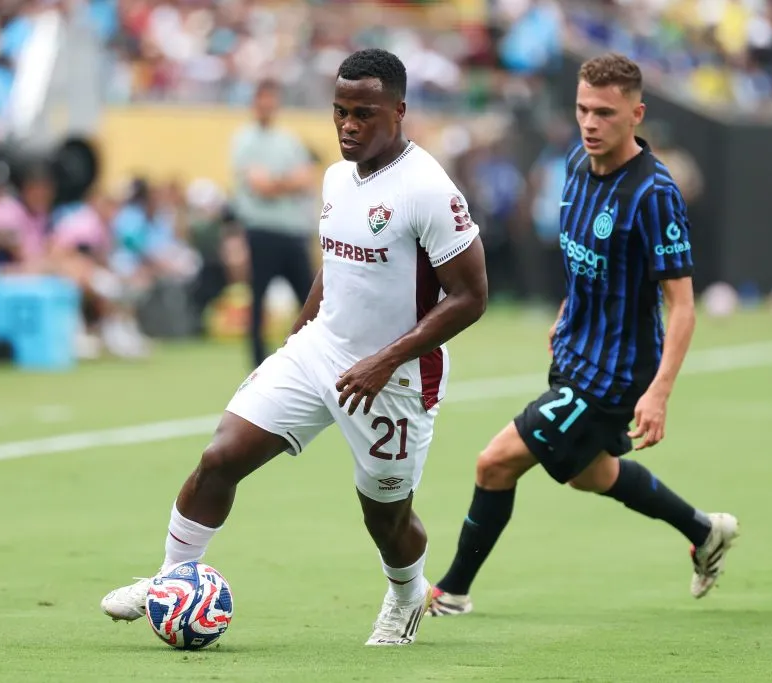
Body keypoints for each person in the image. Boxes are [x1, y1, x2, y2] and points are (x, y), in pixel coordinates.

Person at [100, 48, 489, 646]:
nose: (348, 126)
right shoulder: (336, 177)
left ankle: (408, 591)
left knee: (386, 519)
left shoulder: (429, 190)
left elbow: (470, 296)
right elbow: (335, 265)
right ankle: (170, 582)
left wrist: (386, 359)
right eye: (339, 112)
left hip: (397, 377)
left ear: (400, 111)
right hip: (319, 353)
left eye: (364, 114)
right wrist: (298, 337)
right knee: (220, 457)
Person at [428, 53, 739, 618]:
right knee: (590, 474)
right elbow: (589, 257)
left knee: (494, 463)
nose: (590, 123)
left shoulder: (654, 193)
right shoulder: (576, 163)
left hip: (616, 373)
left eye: (605, 112)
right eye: (582, 109)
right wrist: (569, 307)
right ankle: (703, 529)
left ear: (636, 114)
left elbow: (684, 305)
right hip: (575, 351)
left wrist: (659, 392)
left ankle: (451, 591)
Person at [230, 78, 319, 369]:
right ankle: (258, 364)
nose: (267, 104)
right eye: (262, 98)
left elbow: (305, 179)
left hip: (292, 231)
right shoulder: (244, 139)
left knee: (310, 300)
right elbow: (260, 187)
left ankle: (316, 354)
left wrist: (277, 182)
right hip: (261, 231)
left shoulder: (288, 140)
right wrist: (287, 182)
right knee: (259, 299)